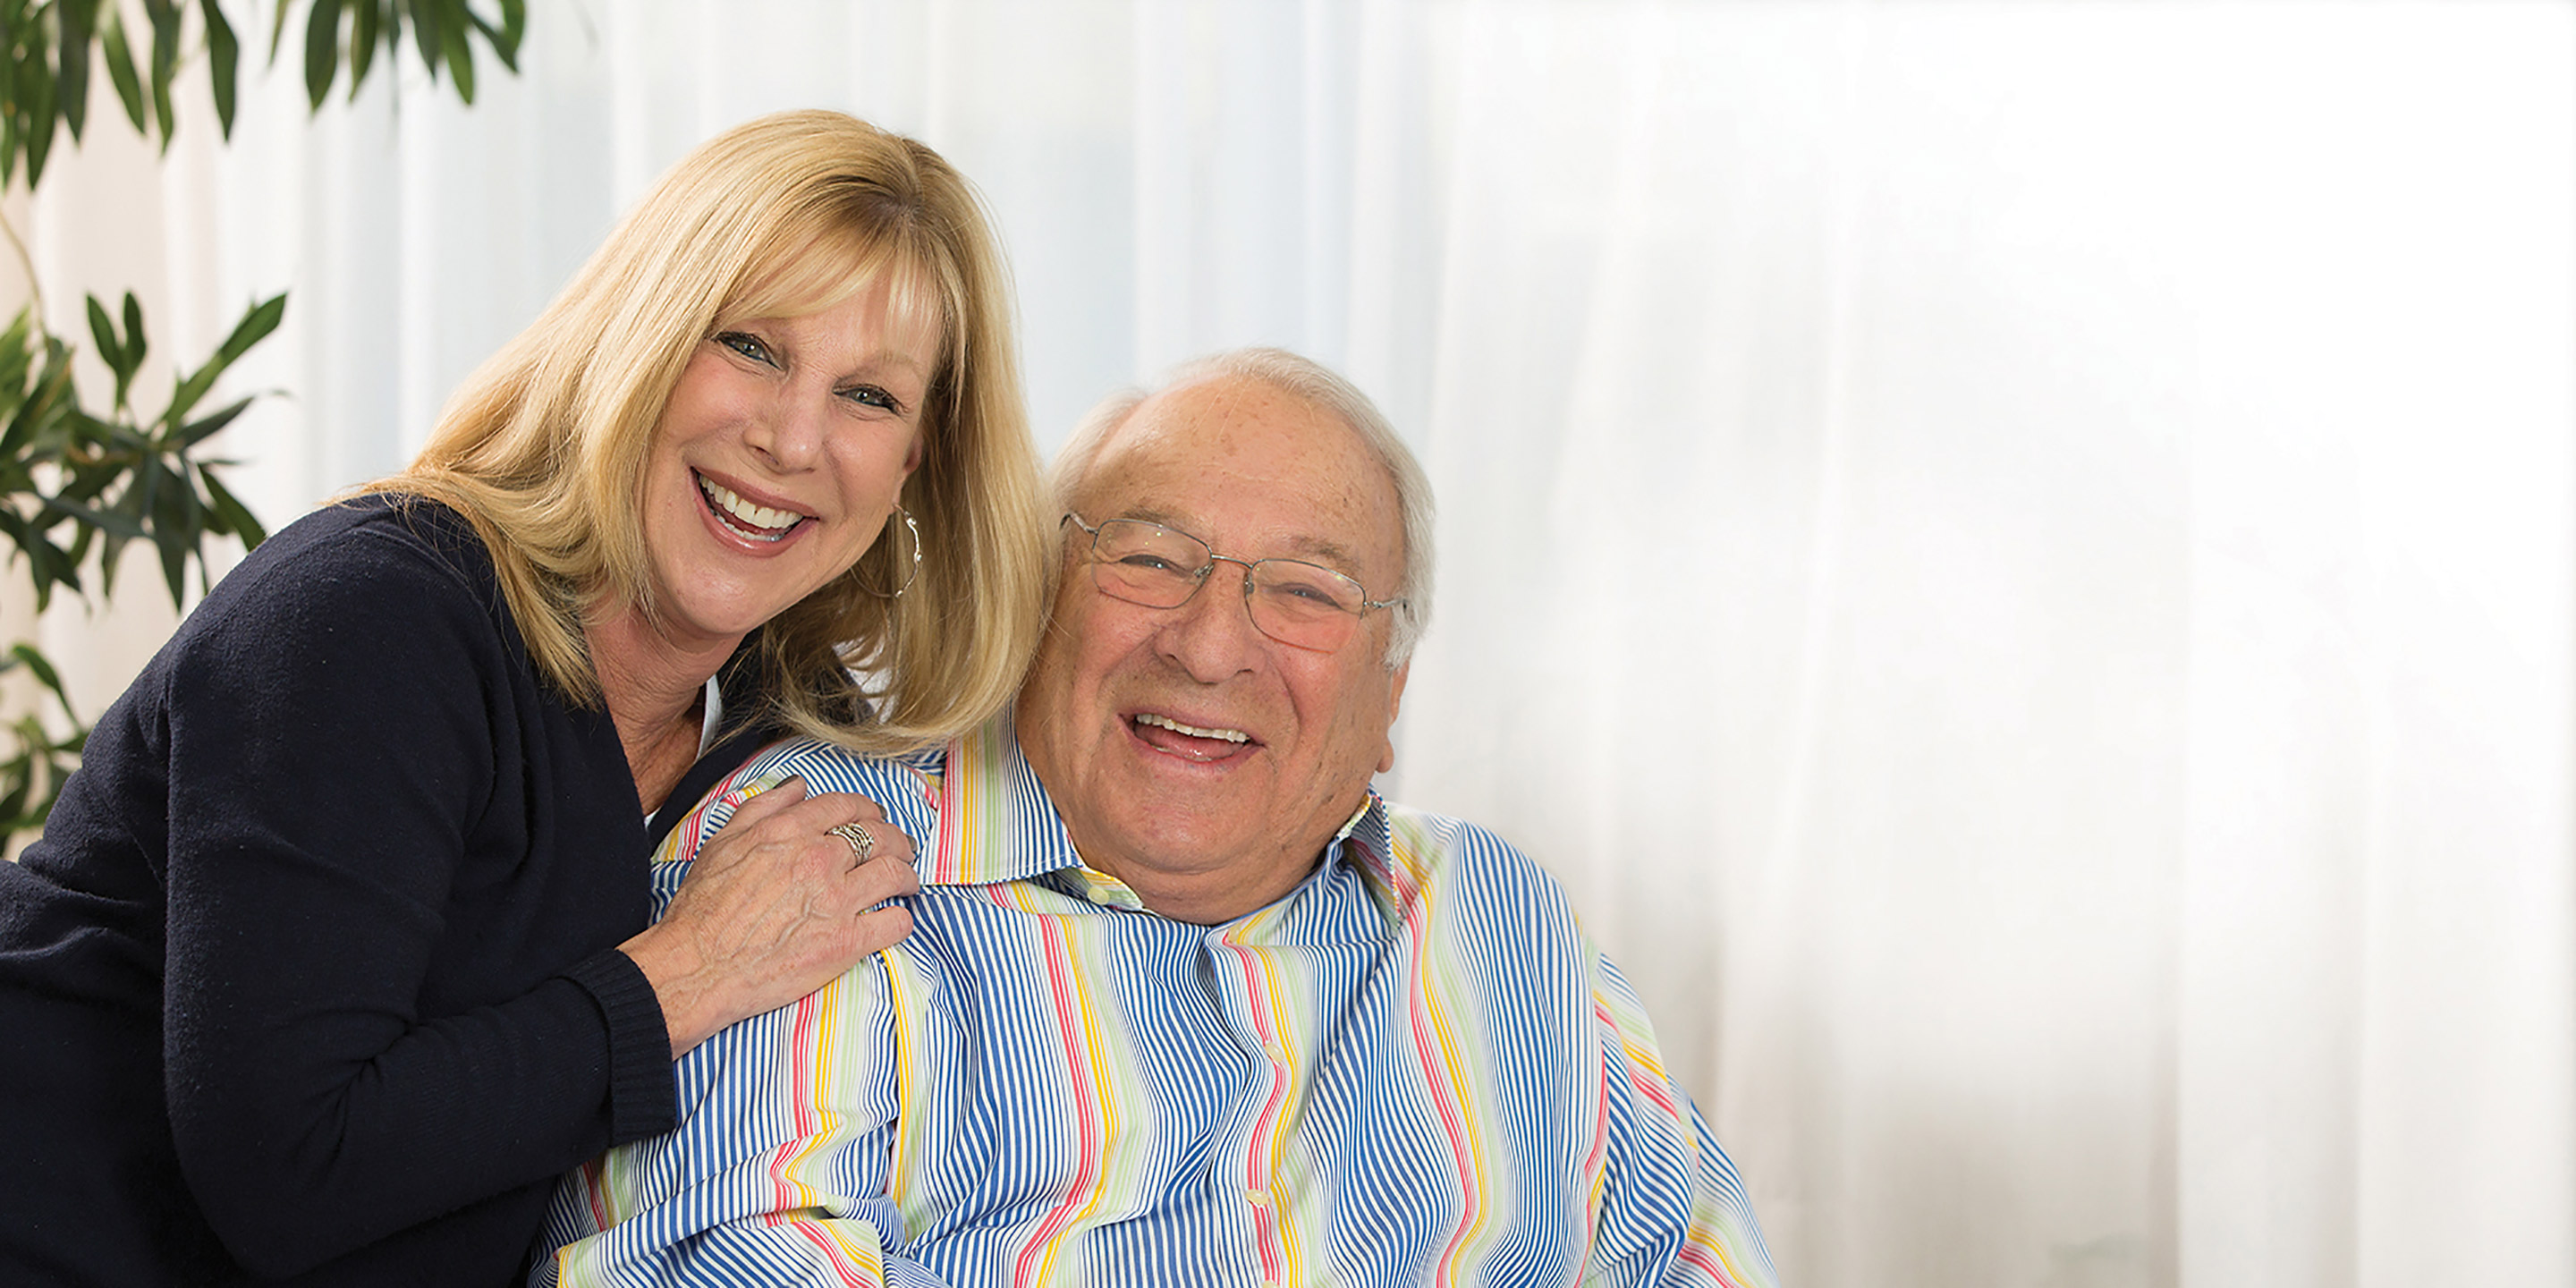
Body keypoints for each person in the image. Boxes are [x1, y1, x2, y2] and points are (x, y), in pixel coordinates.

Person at [0, 110, 1050, 1285]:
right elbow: (291, 1174)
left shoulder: (785, 734)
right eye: (751, 345)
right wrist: (689, 974)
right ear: (639, 339)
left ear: (915, 465)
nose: (792, 437)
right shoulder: (371, 620)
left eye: (870, 396)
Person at [534, 348, 1784, 1287]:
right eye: (1147, 558)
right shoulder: (819, 846)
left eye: (1305, 590)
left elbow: (1696, 1259)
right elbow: (706, 1257)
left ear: (1388, 696)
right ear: (1034, 602)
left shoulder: (1498, 917)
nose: (1207, 644)